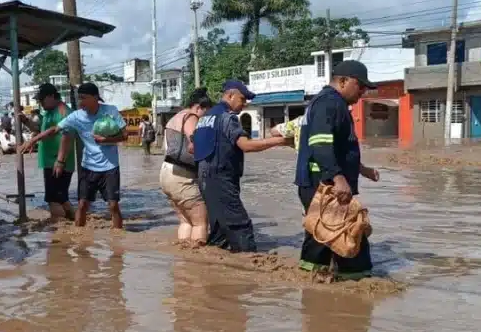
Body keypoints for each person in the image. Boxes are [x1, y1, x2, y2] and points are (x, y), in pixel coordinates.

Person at [295, 60, 381, 279]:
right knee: (349, 233)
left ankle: (311, 284)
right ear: (343, 81)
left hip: (321, 180)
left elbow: (338, 147)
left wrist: (362, 169)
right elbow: (321, 144)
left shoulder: (330, 103)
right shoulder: (330, 103)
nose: (362, 92)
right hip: (325, 181)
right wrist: (338, 178)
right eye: (360, 86)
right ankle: (357, 285)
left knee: (321, 233)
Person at [193, 80, 288, 252]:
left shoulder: (205, 118)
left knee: (219, 232)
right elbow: (246, 145)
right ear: (230, 95)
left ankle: (210, 272)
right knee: (241, 227)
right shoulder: (227, 118)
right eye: (242, 99)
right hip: (221, 178)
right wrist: (281, 141)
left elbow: (192, 148)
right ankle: (250, 270)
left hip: (204, 178)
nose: (244, 104)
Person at [20, 82, 126, 229]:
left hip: (110, 167)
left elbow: (124, 136)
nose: (81, 102)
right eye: (79, 98)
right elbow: (54, 130)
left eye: (84, 98)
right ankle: (79, 237)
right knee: (82, 205)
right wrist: (33, 140)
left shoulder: (110, 111)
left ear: (95, 97)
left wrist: (106, 140)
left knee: (113, 206)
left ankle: (118, 239)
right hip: (88, 167)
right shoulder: (76, 116)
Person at [160, 88, 213, 245]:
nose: (206, 117)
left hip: (167, 174)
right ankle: (198, 263)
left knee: (186, 221)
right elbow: (194, 141)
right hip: (181, 175)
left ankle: (184, 261)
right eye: (206, 112)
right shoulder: (191, 117)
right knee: (201, 222)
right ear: (198, 107)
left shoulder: (175, 117)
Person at [21, 83, 75, 221]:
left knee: (53, 199)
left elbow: (67, 136)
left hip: (58, 162)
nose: (40, 103)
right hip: (51, 162)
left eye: (41, 100)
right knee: (61, 198)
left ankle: (59, 232)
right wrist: (26, 121)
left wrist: (60, 160)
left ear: (51, 96)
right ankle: (76, 222)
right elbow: (40, 130)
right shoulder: (49, 113)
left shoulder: (64, 111)